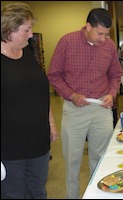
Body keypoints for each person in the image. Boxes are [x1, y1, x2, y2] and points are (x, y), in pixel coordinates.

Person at [47, 7, 122, 199]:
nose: (103, 39)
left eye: (107, 34)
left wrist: (112, 94)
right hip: (74, 111)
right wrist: (71, 94)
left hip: (101, 109)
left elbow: (115, 74)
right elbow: (54, 75)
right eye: (100, 33)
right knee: (72, 162)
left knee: (101, 160)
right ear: (88, 26)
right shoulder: (67, 42)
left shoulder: (110, 46)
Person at [1, 3, 58, 199]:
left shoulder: (27, 54)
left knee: (38, 192)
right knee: (13, 195)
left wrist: (51, 124)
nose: (31, 34)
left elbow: (40, 93)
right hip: (8, 148)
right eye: (26, 29)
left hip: (38, 143)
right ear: (9, 30)